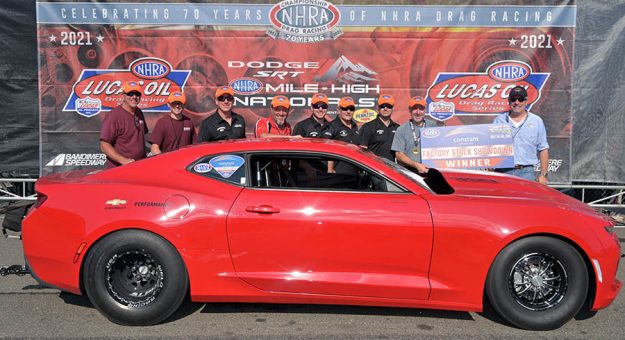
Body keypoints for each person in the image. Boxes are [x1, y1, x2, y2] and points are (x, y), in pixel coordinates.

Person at [493, 86, 550, 184]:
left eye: (520, 99)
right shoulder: (499, 120)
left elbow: (543, 149)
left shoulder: (536, 121)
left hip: (527, 172)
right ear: (509, 101)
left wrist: (543, 175)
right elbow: (490, 146)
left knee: (525, 200)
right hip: (502, 171)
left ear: (526, 101)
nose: (517, 102)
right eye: (513, 99)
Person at [100, 81, 148, 168]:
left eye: (137, 94)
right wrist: (123, 160)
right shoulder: (114, 115)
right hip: (120, 170)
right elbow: (104, 145)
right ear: (123, 95)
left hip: (139, 167)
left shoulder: (139, 112)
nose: (134, 97)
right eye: (130, 93)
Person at [391, 96, 435, 174]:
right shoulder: (401, 129)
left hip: (430, 171)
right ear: (410, 110)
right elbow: (398, 155)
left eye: (421, 109)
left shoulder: (433, 126)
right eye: (415, 108)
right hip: (409, 173)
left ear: (425, 110)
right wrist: (417, 165)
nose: (418, 112)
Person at [358, 94, 400, 161]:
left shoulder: (397, 128)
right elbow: (361, 152)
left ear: (393, 109)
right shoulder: (368, 127)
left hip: (391, 169)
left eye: (388, 106)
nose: (385, 109)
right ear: (378, 108)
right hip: (373, 169)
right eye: (382, 106)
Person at [324, 96, 360, 174]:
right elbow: (327, 148)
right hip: (338, 173)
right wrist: (330, 168)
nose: (348, 111)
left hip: (354, 173)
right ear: (338, 110)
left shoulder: (355, 126)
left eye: (351, 108)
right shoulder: (332, 126)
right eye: (345, 108)